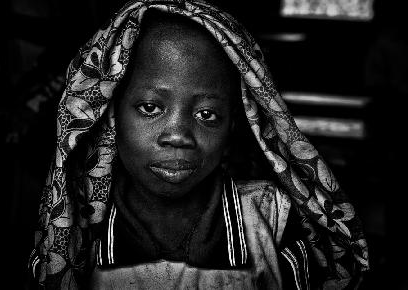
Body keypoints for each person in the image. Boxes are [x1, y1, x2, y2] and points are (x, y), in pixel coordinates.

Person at [28, 1, 369, 289]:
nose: (178, 135)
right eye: (150, 108)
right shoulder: (78, 235)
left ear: (235, 123)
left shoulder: (276, 223)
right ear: (110, 116)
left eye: (207, 113)